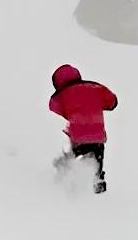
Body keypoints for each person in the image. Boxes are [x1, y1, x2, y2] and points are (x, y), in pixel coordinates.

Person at [49, 64, 117, 193]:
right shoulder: (95, 87)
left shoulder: (63, 94)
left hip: (78, 137)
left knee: (73, 156)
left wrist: (71, 110)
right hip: (97, 138)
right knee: (97, 163)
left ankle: (64, 168)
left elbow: (53, 106)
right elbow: (112, 101)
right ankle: (98, 186)